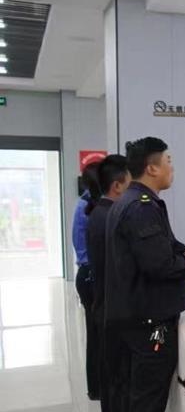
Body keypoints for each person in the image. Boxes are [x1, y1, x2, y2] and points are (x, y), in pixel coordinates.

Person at [105, 136, 185, 412]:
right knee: (147, 401)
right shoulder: (142, 207)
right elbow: (159, 264)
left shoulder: (135, 202)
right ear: (152, 167)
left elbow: (165, 247)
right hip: (150, 323)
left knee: (140, 397)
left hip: (137, 316)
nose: (172, 167)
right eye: (169, 161)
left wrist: (180, 254)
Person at [85, 154, 130, 412]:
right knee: (117, 378)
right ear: (117, 186)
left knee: (111, 374)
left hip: (104, 304)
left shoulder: (99, 213)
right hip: (112, 309)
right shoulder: (109, 218)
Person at [74, 166, 100, 399]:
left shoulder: (87, 203)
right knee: (96, 335)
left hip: (88, 275)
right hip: (91, 277)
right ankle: (96, 388)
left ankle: (97, 386)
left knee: (96, 334)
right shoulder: (88, 207)